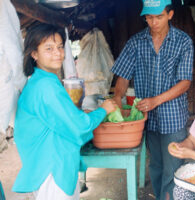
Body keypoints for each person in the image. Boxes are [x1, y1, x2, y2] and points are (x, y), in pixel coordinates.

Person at [12, 24, 117, 200]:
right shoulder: (46, 87)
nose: (58, 53)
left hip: (41, 165)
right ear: (34, 54)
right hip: (52, 169)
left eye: (60, 47)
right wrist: (103, 110)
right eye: (49, 48)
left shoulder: (40, 81)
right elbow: (79, 126)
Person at [111, 0, 194, 199]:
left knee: (173, 165)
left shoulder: (183, 41)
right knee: (156, 164)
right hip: (147, 117)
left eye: (159, 17)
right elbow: (122, 77)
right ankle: (160, 196)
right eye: (149, 17)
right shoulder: (136, 42)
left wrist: (156, 100)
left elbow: (185, 83)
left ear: (170, 14)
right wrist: (117, 98)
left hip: (173, 116)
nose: (153, 22)